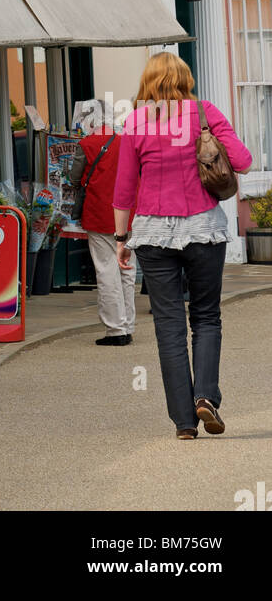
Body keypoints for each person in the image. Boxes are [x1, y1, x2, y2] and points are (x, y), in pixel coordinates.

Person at [112, 53, 252, 440]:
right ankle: (205, 395)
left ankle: (184, 422)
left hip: (153, 234)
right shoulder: (204, 113)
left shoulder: (136, 121)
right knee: (206, 316)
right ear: (185, 79)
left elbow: (124, 188)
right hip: (203, 227)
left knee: (168, 326)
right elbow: (242, 160)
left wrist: (122, 239)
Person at [69, 107, 136, 346]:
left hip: (99, 214)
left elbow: (75, 179)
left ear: (89, 123)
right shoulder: (126, 142)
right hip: (127, 214)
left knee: (106, 271)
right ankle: (127, 325)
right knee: (127, 271)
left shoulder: (86, 145)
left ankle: (115, 330)